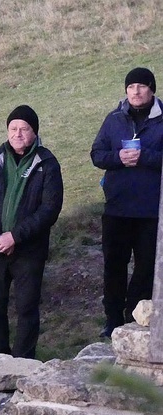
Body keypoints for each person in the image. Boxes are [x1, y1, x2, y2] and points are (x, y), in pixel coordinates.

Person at [0, 105, 63, 358]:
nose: (18, 134)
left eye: (24, 129)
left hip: (28, 250)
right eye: (13, 128)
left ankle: (23, 361)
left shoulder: (47, 164)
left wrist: (15, 236)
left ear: (34, 132)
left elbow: (49, 209)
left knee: (27, 308)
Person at [91, 67, 163, 338]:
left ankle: (133, 316)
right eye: (131, 86)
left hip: (151, 211)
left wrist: (144, 157)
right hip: (117, 208)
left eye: (142, 86)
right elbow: (97, 154)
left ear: (152, 89)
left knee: (146, 269)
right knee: (114, 267)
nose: (135, 91)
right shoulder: (114, 119)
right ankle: (112, 321)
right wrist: (118, 158)